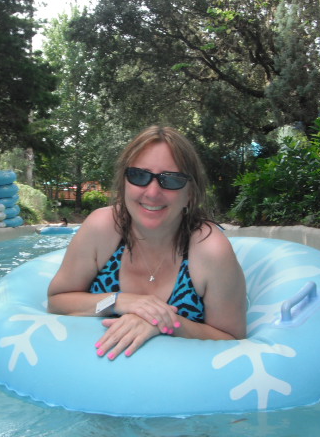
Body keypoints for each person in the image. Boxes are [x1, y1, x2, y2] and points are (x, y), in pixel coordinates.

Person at [47, 125, 246, 360]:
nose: (152, 193)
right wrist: (118, 301)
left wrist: (164, 322)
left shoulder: (210, 249)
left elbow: (231, 339)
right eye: (139, 176)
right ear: (124, 183)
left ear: (190, 193)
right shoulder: (102, 228)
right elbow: (57, 301)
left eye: (171, 180)